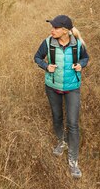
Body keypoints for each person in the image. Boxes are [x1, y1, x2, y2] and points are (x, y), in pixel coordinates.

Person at [33, 15, 89, 179]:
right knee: (57, 117)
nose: (52, 30)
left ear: (65, 31)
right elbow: (37, 57)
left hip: (72, 88)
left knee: (72, 123)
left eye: (55, 28)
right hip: (52, 87)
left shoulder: (77, 44)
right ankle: (62, 141)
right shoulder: (48, 42)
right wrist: (45, 66)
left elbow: (86, 58)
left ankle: (73, 162)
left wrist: (81, 64)